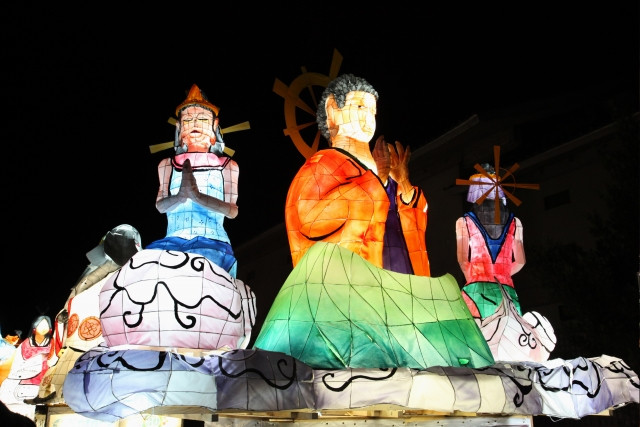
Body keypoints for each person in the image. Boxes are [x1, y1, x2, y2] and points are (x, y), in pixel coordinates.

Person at [285, 73, 430, 276]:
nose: (368, 117)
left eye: (372, 111)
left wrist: (403, 182)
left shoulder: (385, 167)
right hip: (357, 282)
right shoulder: (322, 165)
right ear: (333, 110)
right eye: (360, 106)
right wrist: (376, 181)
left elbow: (415, 219)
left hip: (403, 277)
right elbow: (311, 219)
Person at [456, 165, 556, 361]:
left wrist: (476, 276)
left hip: (476, 288)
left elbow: (462, 260)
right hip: (507, 291)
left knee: (473, 346)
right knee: (513, 345)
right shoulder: (515, 222)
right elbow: (521, 261)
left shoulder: (464, 222)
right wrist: (502, 273)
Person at [146, 84, 240, 277]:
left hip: (212, 242)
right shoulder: (167, 165)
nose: (195, 124)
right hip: (171, 241)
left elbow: (232, 211)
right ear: (179, 127)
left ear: (214, 126)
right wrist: (180, 196)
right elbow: (160, 206)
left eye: (203, 119)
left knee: (201, 266)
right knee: (144, 265)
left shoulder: (227, 166)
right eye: (188, 120)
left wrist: (197, 196)